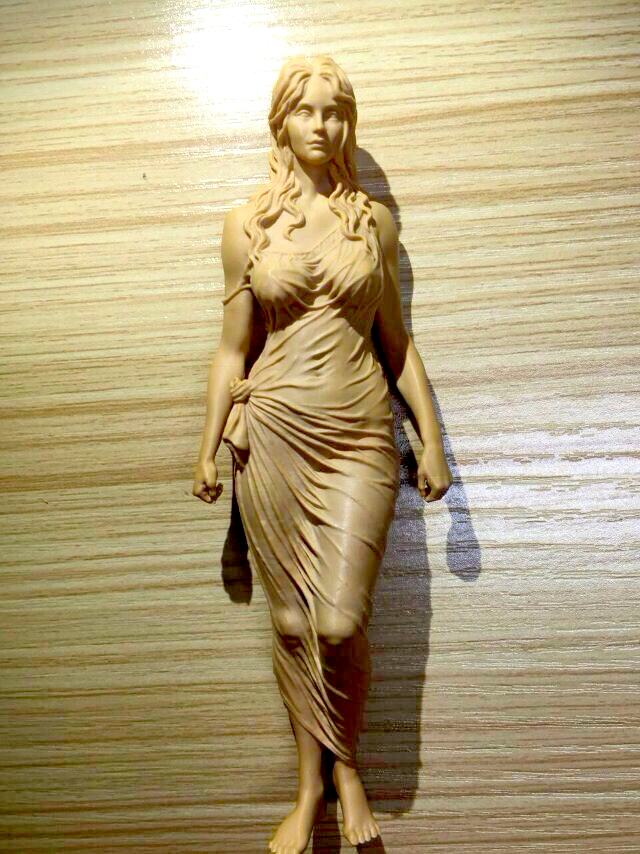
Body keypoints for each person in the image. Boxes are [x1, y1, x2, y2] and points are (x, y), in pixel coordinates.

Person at [193, 56, 452, 854]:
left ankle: (344, 765)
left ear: (349, 123)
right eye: (305, 111)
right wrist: (207, 449)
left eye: (335, 111)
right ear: (280, 121)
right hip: (274, 433)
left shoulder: (373, 224)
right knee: (290, 619)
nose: (321, 125)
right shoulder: (247, 224)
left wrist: (431, 442)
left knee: (338, 623)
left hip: (359, 435)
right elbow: (232, 350)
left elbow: (397, 344)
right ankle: (318, 786)